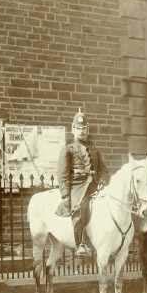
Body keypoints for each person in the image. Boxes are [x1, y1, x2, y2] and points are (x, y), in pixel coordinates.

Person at [56, 108, 109, 258]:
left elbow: (104, 170)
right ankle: (81, 244)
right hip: (77, 187)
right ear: (73, 129)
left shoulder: (94, 149)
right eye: (79, 128)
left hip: (95, 185)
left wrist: (103, 182)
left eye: (85, 128)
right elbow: (62, 175)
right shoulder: (68, 149)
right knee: (81, 207)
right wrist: (66, 195)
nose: (82, 131)